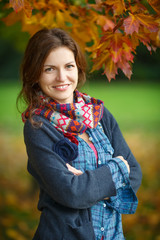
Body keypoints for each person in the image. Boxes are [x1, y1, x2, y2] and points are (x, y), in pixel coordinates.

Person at [18, 28, 142, 240]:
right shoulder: (37, 126)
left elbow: (135, 174)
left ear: (78, 68)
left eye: (68, 66)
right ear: (35, 73)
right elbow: (72, 193)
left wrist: (87, 180)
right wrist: (117, 168)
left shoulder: (99, 114)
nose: (61, 77)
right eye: (49, 69)